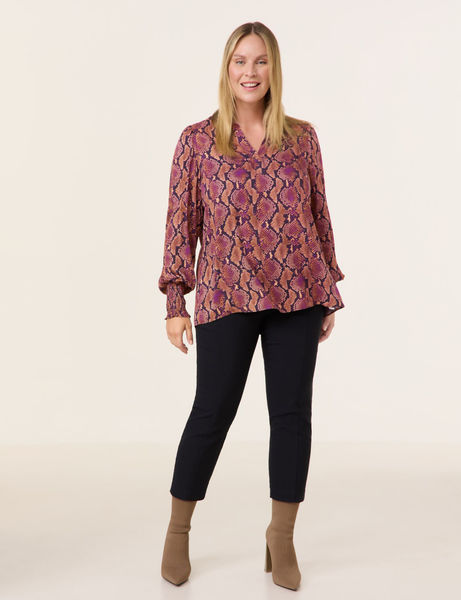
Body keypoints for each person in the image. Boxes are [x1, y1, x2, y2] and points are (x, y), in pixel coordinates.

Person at [157, 21, 345, 591]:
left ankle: (281, 536)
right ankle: (178, 531)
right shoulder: (197, 141)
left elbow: (318, 213)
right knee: (211, 411)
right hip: (226, 293)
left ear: (274, 69)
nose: (250, 71)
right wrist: (175, 299)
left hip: (297, 294)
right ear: (227, 67)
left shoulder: (302, 138)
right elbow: (181, 223)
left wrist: (328, 289)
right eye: (241, 60)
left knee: (291, 416)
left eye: (261, 61)